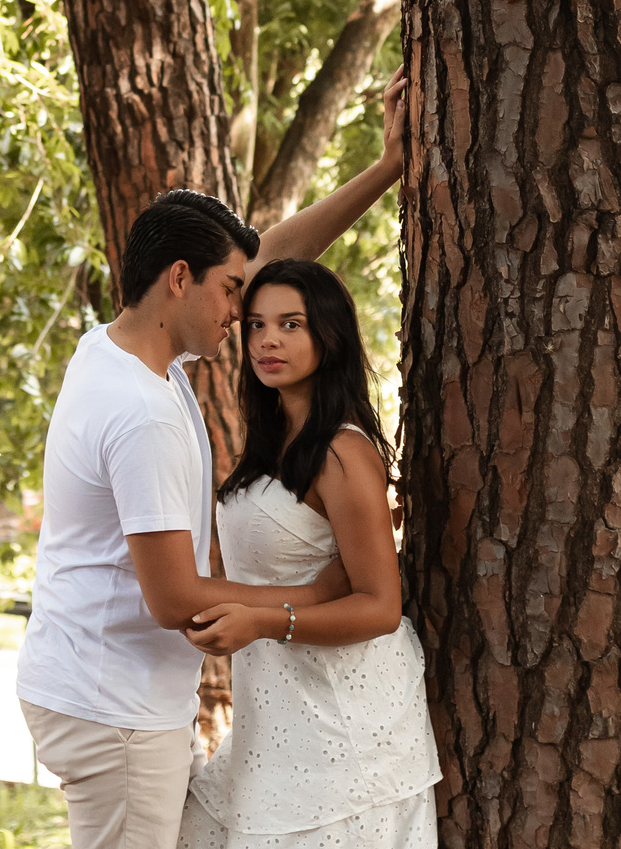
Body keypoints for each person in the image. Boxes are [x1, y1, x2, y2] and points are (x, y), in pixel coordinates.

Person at [15, 72, 408, 849]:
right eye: (232, 293)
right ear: (179, 279)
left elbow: (274, 258)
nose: (244, 312)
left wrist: (387, 168)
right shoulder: (143, 414)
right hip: (115, 706)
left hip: (88, 684)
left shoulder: (118, 350)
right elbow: (175, 600)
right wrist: (320, 590)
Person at [178, 259, 440, 849]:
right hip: (273, 718)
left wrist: (264, 622)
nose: (268, 339)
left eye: (291, 324)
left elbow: (379, 607)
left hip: (343, 723)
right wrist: (309, 595)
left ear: (330, 334)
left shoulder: (344, 453)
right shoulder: (271, 444)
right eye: (256, 324)